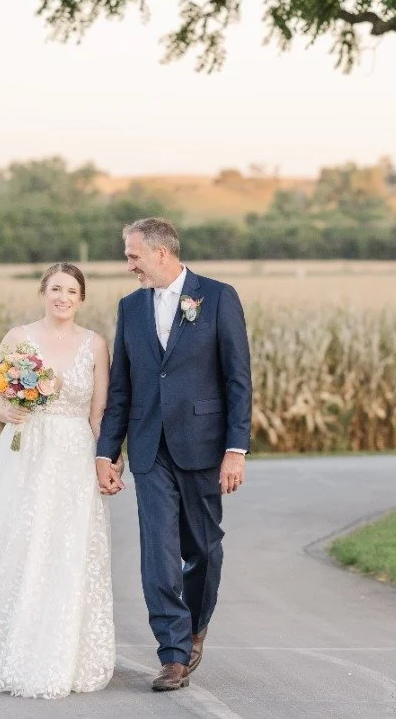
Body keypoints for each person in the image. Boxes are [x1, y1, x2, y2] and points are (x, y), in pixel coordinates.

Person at [96, 217, 252, 692]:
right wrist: (108, 451)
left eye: (133, 255)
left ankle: (196, 625)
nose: (129, 265)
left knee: (203, 548)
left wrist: (235, 449)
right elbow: (121, 386)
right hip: (149, 449)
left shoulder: (218, 297)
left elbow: (237, 379)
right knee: (158, 552)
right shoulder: (131, 308)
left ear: (161, 253)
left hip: (204, 446)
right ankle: (173, 654)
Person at [0, 262, 118, 698]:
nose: (62, 297)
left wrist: (108, 460)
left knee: (68, 550)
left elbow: (99, 414)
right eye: (55, 289)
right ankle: (14, 650)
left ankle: (65, 654)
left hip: (73, 456)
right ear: (42, 293)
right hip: (26, 450)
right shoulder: (18, 337)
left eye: (71, 290)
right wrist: (6, 411)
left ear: (81, 298)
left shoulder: (96, 345)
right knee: (22, 546)